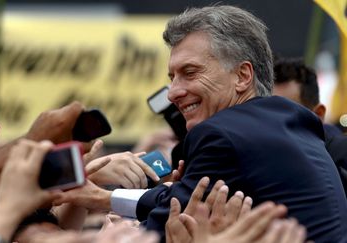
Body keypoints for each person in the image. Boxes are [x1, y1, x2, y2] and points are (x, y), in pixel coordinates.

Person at [54, 5, 347, 242]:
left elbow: (160, 228)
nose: (173, 92)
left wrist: (90, 202)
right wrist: (102, 197)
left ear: (243, 76)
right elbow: (176, 198)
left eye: (190, 72)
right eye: (172, 77)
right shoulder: (289, 119)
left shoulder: (221, 133)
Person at [273, 58, 347, 195]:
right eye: (265, 110)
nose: (274, 123)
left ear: (319, 114)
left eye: (286, 112)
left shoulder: (341, 157)